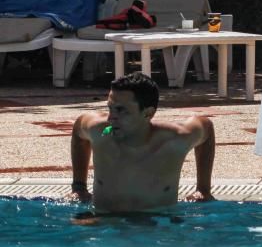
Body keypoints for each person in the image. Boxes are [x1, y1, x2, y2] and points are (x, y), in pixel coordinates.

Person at [69, 72, 215, 213]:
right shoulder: (98, 132)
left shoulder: (173, 141)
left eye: (120, 110)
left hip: (158, 225)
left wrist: (203, 190)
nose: (110, 118)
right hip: (104, 222)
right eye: (110, 108)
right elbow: (78, 130)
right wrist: (79, 187)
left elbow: (206, 128)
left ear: (148, 113)